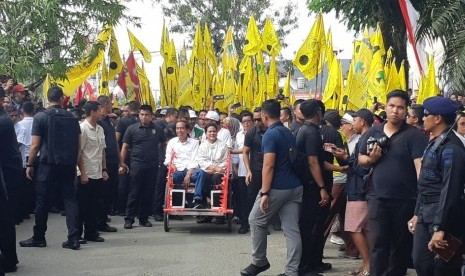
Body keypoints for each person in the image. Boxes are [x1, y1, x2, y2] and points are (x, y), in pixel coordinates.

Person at [358, 90, 428, 276]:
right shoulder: (374, 131)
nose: (395, 111)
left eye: (400, 107)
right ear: (385, 107)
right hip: (377, 198)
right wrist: (371, 160)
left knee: (399, 248)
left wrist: (422, 199)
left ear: (406, 111)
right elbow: (360, 159)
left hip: (405, 200)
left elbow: (419, 168)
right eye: (391, 106)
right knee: (378, 244)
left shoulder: (414, 135)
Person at [241, 99, 303, 276]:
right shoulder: (287, 131)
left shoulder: (270, 134)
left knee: (255, 220)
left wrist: (265, 192)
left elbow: (268, 166)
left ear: (264, 115)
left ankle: (259, 261)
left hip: (277, 187)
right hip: (295, 187)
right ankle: (292, 272)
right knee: (292, 230)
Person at [409, 97, 465, 276]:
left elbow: (450, 191)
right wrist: (417, 213)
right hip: (426, 214)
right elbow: (425, 184)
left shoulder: (452, 149)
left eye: (426, 115)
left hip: (446, 218)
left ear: (438, 118)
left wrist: (440, 228)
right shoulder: (434, 143)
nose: (422, 118)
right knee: (421, 263)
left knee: (444, 268)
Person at [20, 86, 81, 250]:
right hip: (68, 164)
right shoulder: (72, 118)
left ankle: (39, 237)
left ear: (48, 99)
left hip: (48, 164)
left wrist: (30, 164)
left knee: (42, 201)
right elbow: (78, 144)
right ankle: (74, 237)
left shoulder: (40, 117)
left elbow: (35, 146)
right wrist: (75, 164)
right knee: (70, 199)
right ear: (62, 99)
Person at [334, 109, 374, 275]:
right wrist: (345, 157)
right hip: (358, 188)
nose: (352, 124)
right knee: (362, 228)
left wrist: (350, 163)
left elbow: (365, 167)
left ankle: (368, 265)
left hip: (360, 190)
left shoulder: (367, 138)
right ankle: (369, 264)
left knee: (354, 228)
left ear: (362, 121)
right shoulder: (365, 138)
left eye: (354, 120)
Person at [294, 99, 330, 275]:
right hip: (311, 186)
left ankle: (314, 262)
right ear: (317, 112)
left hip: (307, 184)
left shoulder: (305, 130)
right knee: (310, 226)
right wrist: (322, 186)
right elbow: (313, 161)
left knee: (312, 225)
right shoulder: (310, 132)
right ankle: (305, 266)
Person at [121, 105, 166, 229]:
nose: (144, 117)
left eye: (146, 115)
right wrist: (122, 163)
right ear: (139, 115)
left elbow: (164, 144)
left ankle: (143, 218)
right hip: (136, 165)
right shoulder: (132, 129)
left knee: (148, 193)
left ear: (152, 116)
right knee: (134, 192)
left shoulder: (158, 129)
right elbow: (124, 147)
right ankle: (129, 219)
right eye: (142, 114)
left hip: (152, 165)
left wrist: (164, 159)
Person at [76, 101, 109, 243]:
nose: (102, 112)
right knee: (82, 206)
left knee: (94, 205)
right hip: (85, 173)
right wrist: (82, 172)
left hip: (97, 173)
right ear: (92, 112)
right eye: (99, 110)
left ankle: (91, 233)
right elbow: (79, 152)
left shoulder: (100, 129)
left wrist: (104, 169)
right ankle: (77, 234)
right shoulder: (82, 128)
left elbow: (102, 151)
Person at [0, 87, 19, 272]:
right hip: (6, 173)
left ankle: (8, 260)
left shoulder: (3, 121)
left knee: (5, 221)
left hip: (6, 176)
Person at [96, 95, 121, 232]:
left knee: (110, 193)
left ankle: (103, 219)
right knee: (102, 194)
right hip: (103, 163)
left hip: (113, 161)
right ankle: (99, 221)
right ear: (105, 105)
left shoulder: (109, 122)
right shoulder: (98, 122)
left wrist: (121, 160)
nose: (111, 106)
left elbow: (114, 143)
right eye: (110, 104)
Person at [242, 108, 267, 234]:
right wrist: (248, 170)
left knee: (266, 198)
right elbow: (245, 152)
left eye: (259, 119)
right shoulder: (251, 132)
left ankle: (263, 225)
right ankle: (246, 224)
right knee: (250, 198)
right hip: (255, 171)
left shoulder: (270, 131)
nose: (257, 122)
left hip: (268, 171)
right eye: (254, 119)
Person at [193, 122, 229, 208]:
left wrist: (216, 169)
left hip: (218, 171)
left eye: (214, 131)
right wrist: (212, 167)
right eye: (210, 131)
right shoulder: (202, 145)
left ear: (217, 132)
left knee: (216, 177)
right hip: (206, 170)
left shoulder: (223, 145)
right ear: (206, 133)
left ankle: (217, 205)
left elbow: (225, 161)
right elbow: (201, 160)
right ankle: (199, 200)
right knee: (201, 174)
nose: (212, 133)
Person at [115, 101, 140, 215]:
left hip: (124, 155)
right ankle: (135, 209)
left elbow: (117, 139)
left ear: (129, 110)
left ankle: (121, 208)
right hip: (138, 157)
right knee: (136, 183)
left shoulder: (122, 121)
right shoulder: (143, 121)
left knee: (123, 182)